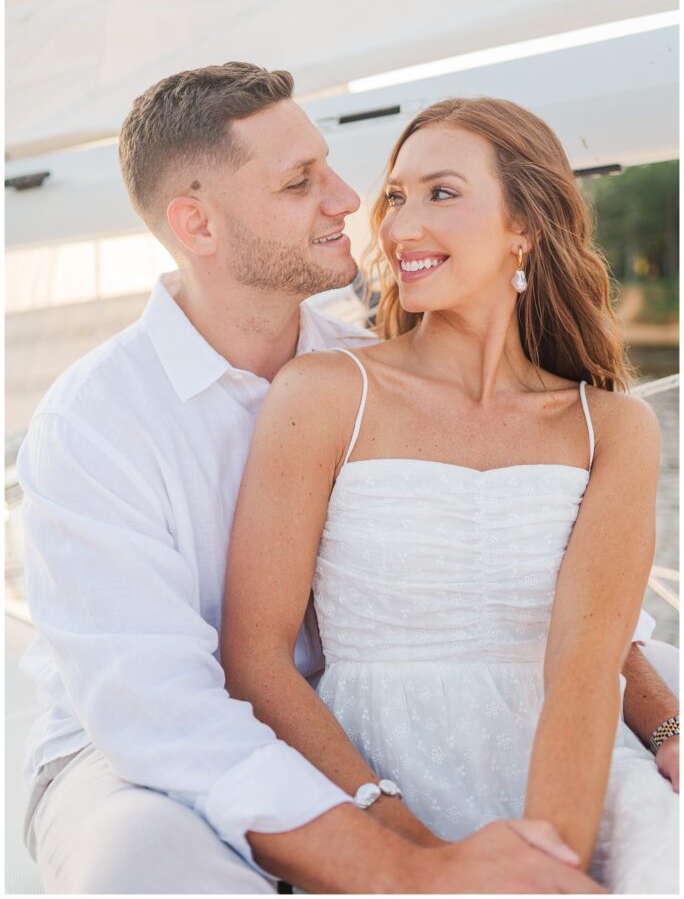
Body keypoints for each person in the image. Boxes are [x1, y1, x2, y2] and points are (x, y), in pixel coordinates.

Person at [18, 64, 613, 894]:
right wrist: (407, 870)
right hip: (135, 761)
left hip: (361, 731)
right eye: (301, 183)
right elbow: (156, 712)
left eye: (327, 166)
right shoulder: (94, 422)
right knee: (141, 864)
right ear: (197, 225)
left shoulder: (378, 373)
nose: (347, 199)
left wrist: (663, 727)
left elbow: (542, 580)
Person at [222, 97, 679, 893]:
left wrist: (545, 863)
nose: (398, 227)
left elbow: (584, 661)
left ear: (524, 226)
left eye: (441, 192)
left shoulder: (614, 427)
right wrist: (418, 856)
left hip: (577, 779)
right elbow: (255, 659)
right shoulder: (327, 393)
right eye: (396, 197)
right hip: (377, 791)